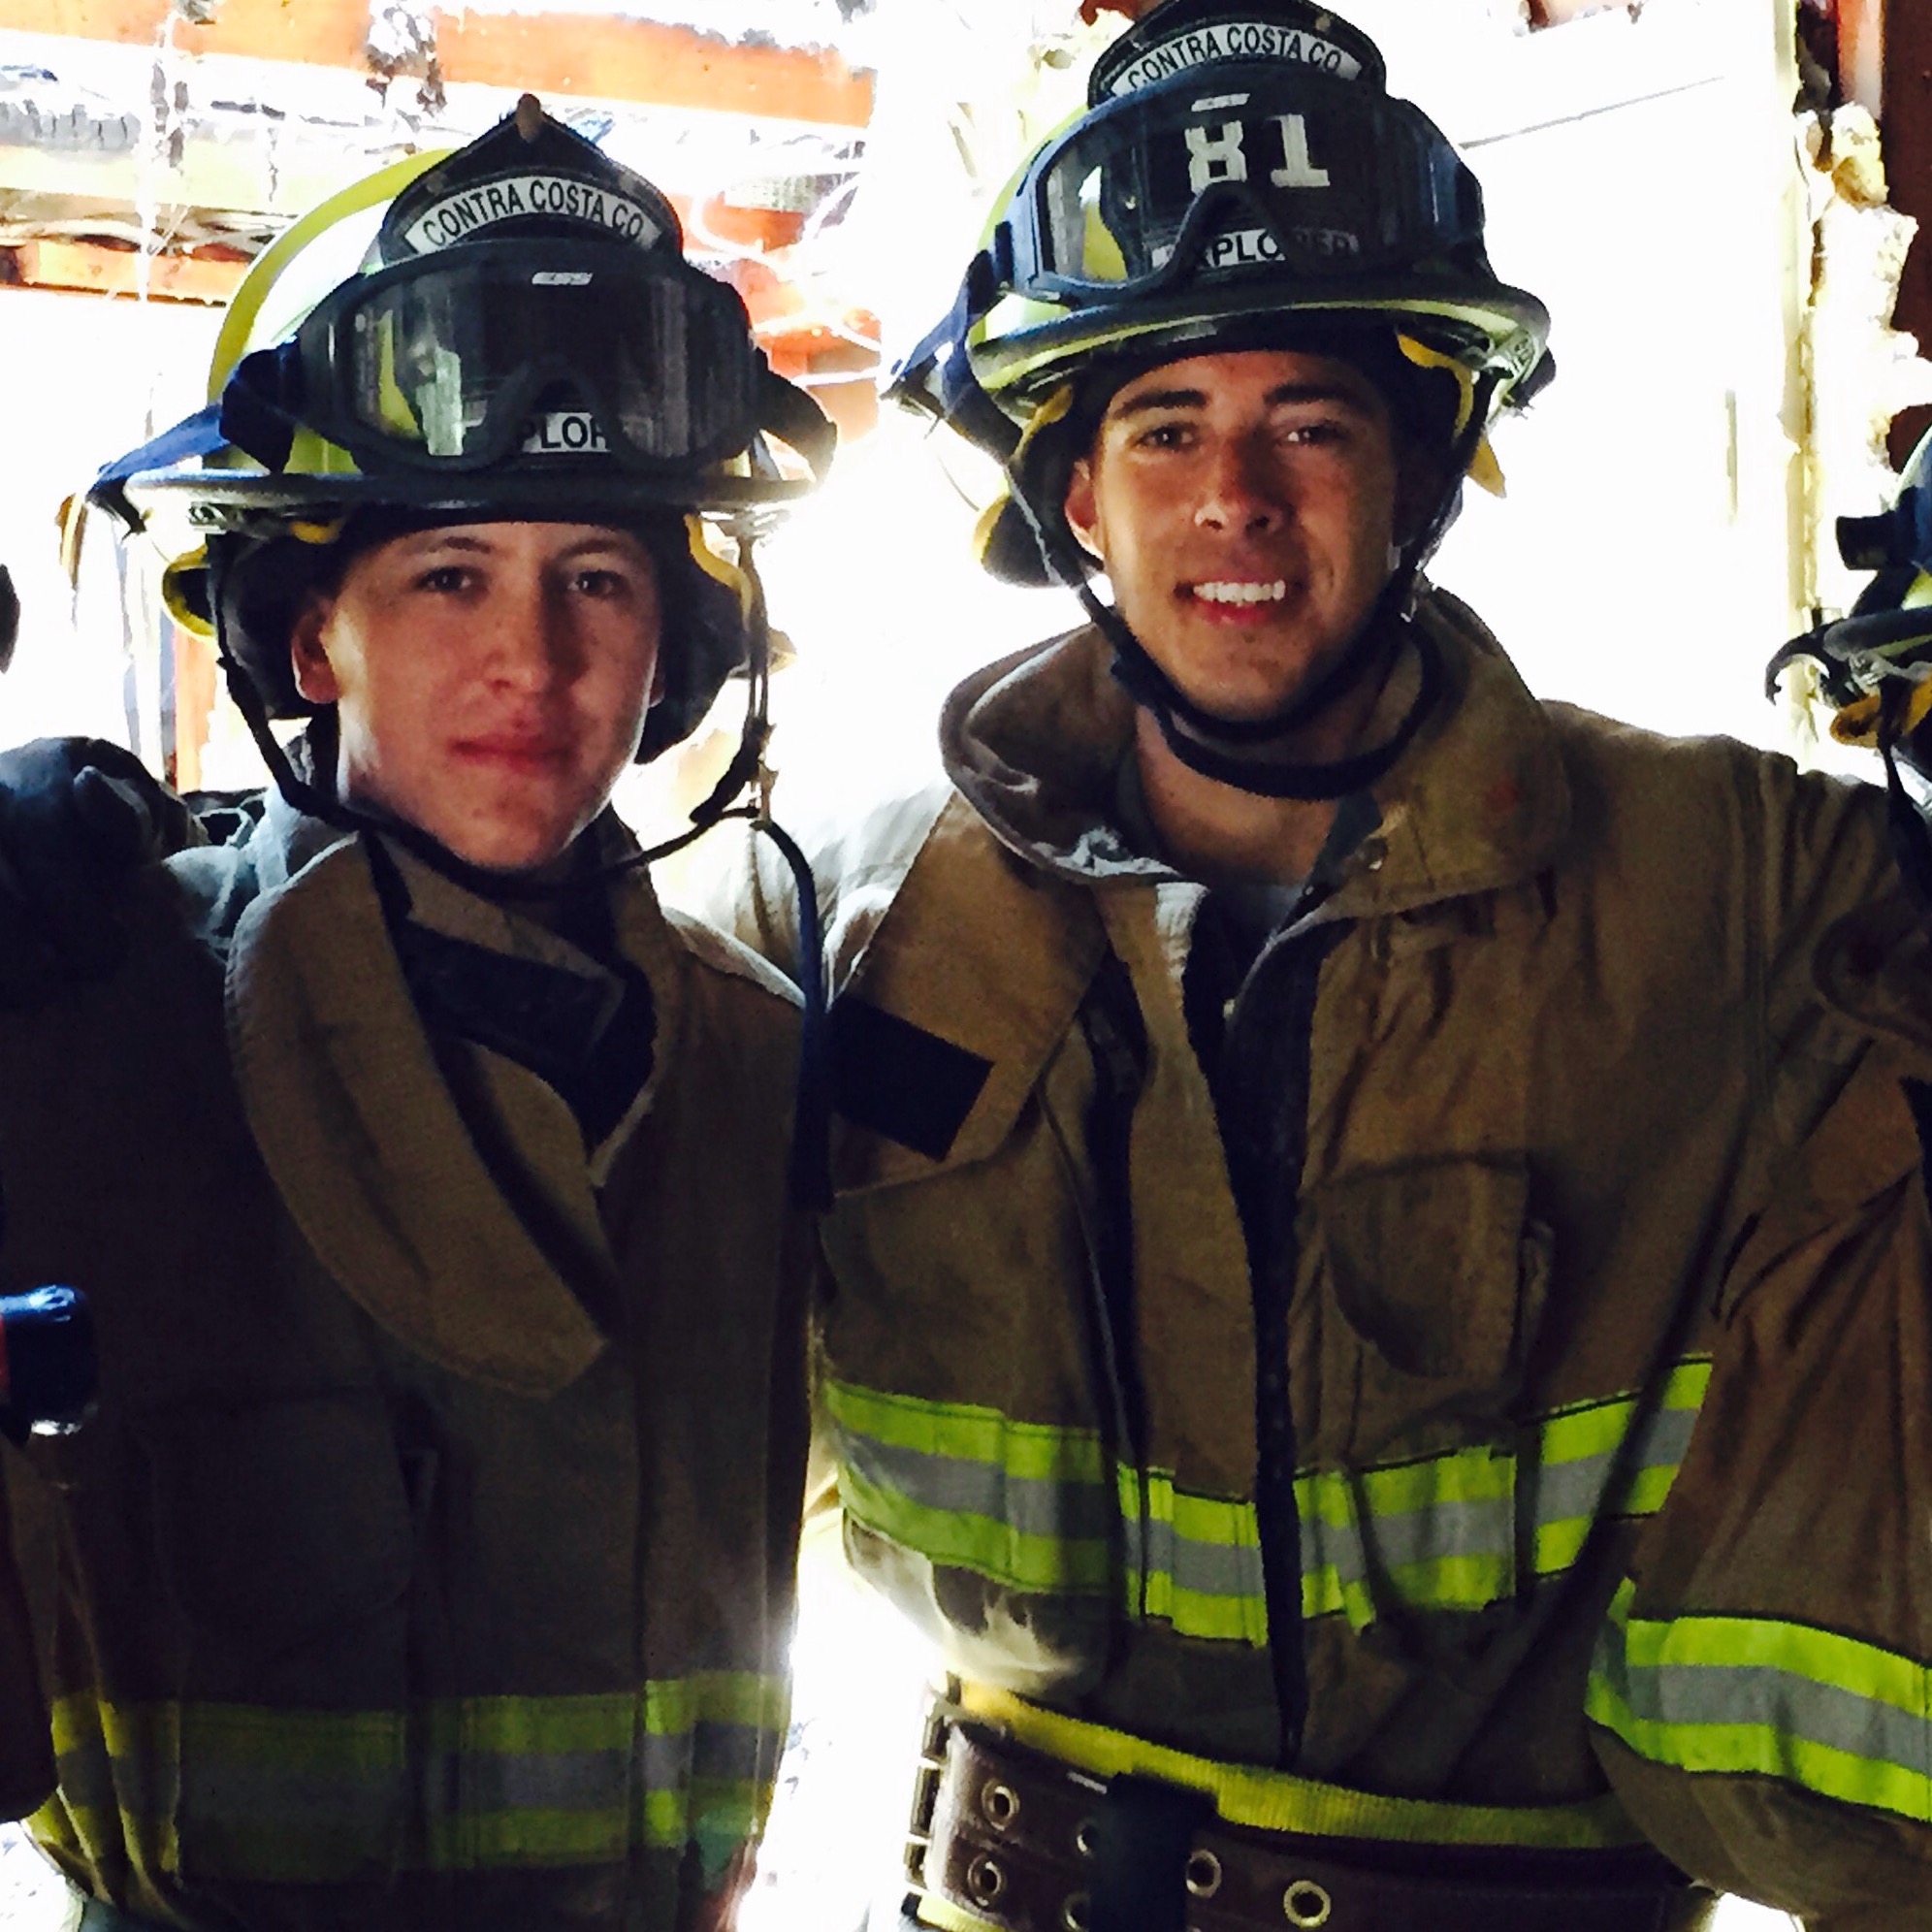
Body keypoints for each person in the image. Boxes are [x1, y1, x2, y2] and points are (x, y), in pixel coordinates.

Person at [712, 1, 1932, 1924]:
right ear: (1075, 499)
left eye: (1313, 424)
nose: (1239, 501)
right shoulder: (850, 918)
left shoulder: (1742, 886)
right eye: (1166, 427)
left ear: (1430, 465)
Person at [0, 95, 833, 1931]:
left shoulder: (759, 1055)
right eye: (448, 576)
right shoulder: (92, 1012)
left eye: (595, 580)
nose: (530, 660)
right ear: (317, 641)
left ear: (673, 660)